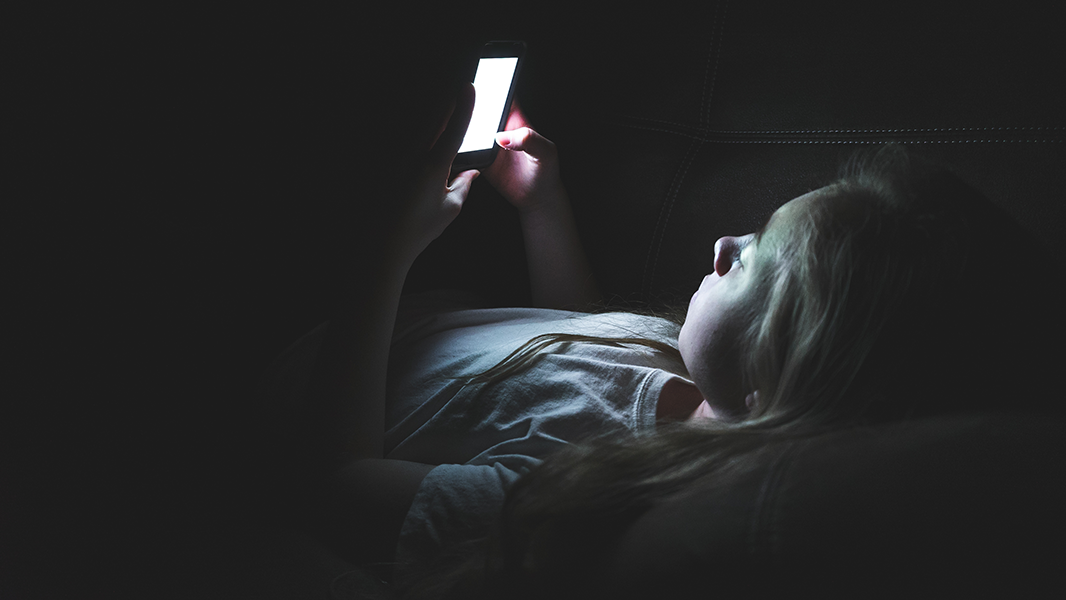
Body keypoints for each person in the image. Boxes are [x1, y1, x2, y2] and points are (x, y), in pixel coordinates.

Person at [260, 81, 1060, 598]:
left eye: (752, 263)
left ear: (778, 377)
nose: (723, 245)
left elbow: (335, 481)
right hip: (419, 317)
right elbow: (584, 334)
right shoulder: (686, 367)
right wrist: (545, 209)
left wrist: (385, 254)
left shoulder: (573, 498)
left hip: (305, 382)